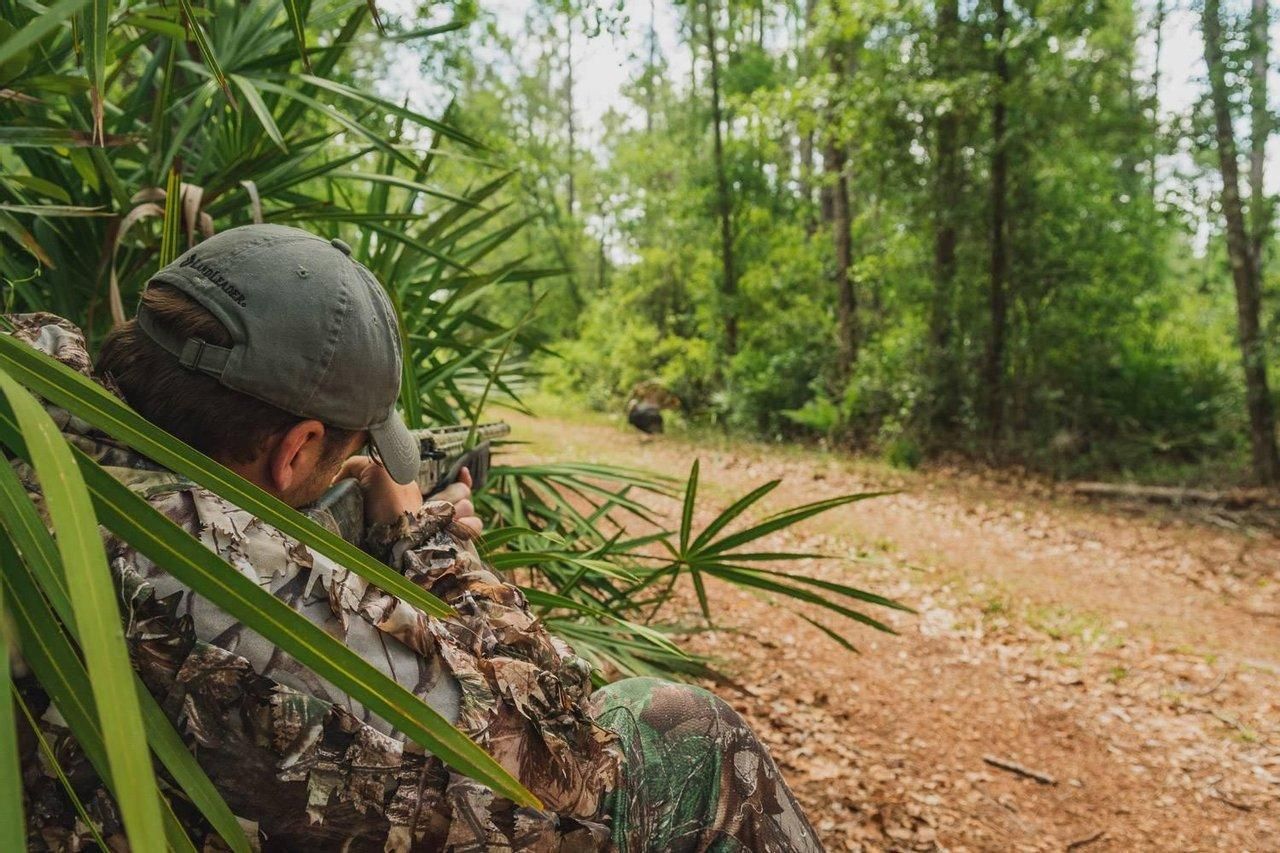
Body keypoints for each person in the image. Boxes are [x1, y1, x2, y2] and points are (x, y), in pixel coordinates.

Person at [10, 224, 822, 852]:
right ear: (294, 449)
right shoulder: (208, 579)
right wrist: (426, 539)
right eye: (344, 454)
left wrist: (335, 525)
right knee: (693, 728)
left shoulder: (34, 411)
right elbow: (562, 758)